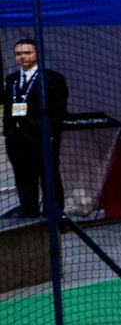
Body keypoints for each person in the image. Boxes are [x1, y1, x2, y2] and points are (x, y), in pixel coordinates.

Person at [3, 38, 65, 218]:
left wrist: (51, 133)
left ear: (37, 54)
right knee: (23, 177)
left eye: (27, 53)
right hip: (17, 137)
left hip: (41, 136)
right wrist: (9, 131)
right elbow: (9, 107)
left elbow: (58, 110)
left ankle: (53, 215)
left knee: (49, 175)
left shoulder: (52, 78)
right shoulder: (12, 79)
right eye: (18, 54)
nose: (22, 57)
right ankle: (29, 212)